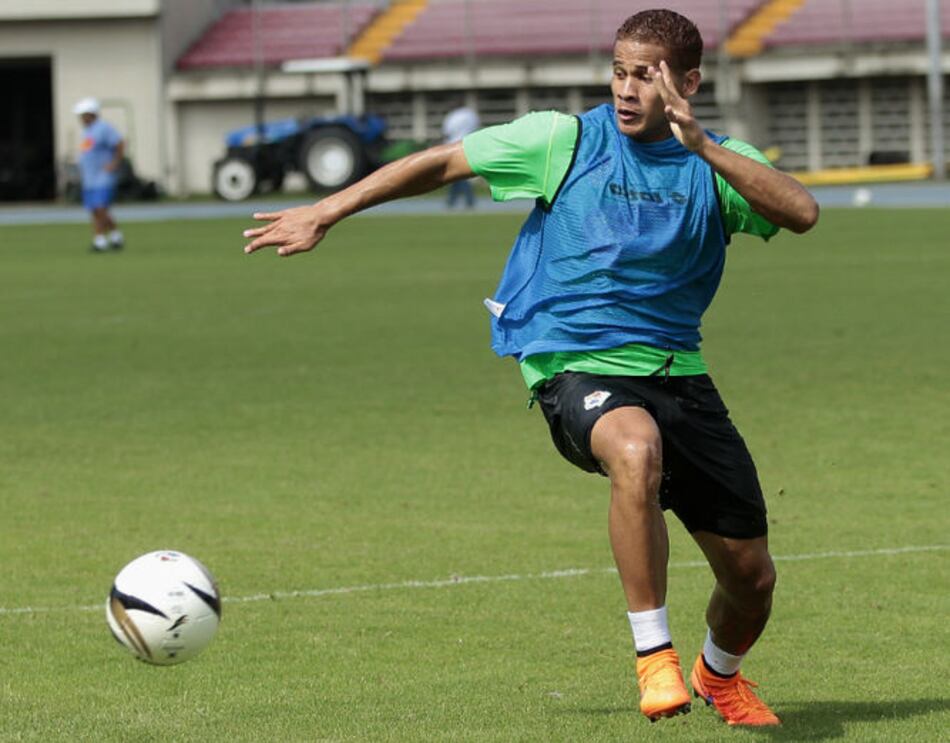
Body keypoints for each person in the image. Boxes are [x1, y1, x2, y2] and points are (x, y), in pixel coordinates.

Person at [243, 8, 818, 728]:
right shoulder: (563, 140)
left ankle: (718, 674)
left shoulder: (717, 162)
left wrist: (701, 146)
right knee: (635, 449)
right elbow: (441, 163)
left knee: (752, 579)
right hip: (574, 362)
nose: (626, 89)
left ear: (689, 83)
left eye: (646, 76)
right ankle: (654, 656)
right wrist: (328, 210)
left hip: (680, 373)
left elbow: (801, 212)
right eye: (619, 72)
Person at [74, 97, 125, 252]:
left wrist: (115, 163)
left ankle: (99, 240)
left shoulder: (104, 128)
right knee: (95, 210)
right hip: (89, 178)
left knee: (100, 207)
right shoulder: (87, 131)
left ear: (91, 114)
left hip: (102, 176)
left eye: (83, 115)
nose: (81, 119)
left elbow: (119, 143)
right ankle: (116, 236)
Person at [441, 104, 480, 208]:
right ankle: (452, 200)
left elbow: (447, 133)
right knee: (458, 176)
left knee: (459, 176)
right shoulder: (471, 114)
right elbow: (476, 128)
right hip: (469, 145)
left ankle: (468, 200)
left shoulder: (452, 116)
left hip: (453, 147)